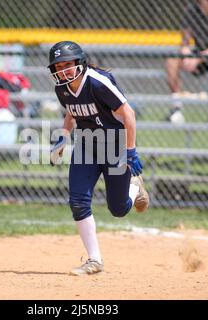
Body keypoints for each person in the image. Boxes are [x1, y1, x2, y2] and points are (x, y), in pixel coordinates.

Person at [47, 41, 150, 276]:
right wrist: (63, 137)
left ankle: (135, 187)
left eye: (68, 65)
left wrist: (131, 151)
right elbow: (73, 111)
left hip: (115, 144)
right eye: (58, 66)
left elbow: (128, 114)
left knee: (119, 209)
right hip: (86, 144)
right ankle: (95, 260)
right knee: (78, 201)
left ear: (79, 63)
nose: (63, 70)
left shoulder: (97, 81)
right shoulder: (61, 89)